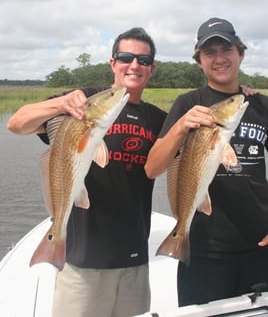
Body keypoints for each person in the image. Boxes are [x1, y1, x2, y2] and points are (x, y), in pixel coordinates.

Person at [7, 27, 167, 317]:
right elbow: (17, 124)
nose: (134, 65)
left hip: (135, 260)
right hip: (81, 261)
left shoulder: (156, 118)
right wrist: (59, 103)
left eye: (143, 60)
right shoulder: (83, 103)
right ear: (112, 62)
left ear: (151, 69)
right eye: (126, 57)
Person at [145, 18, 268, 307]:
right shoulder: (188, 103)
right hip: (202, 248)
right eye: (209, 52)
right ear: (199, 61)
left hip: (259, 246)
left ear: (241, 54)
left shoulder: (259, 104)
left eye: (226, 49)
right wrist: (180, 127)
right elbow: (152, 168)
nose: (219, 58)